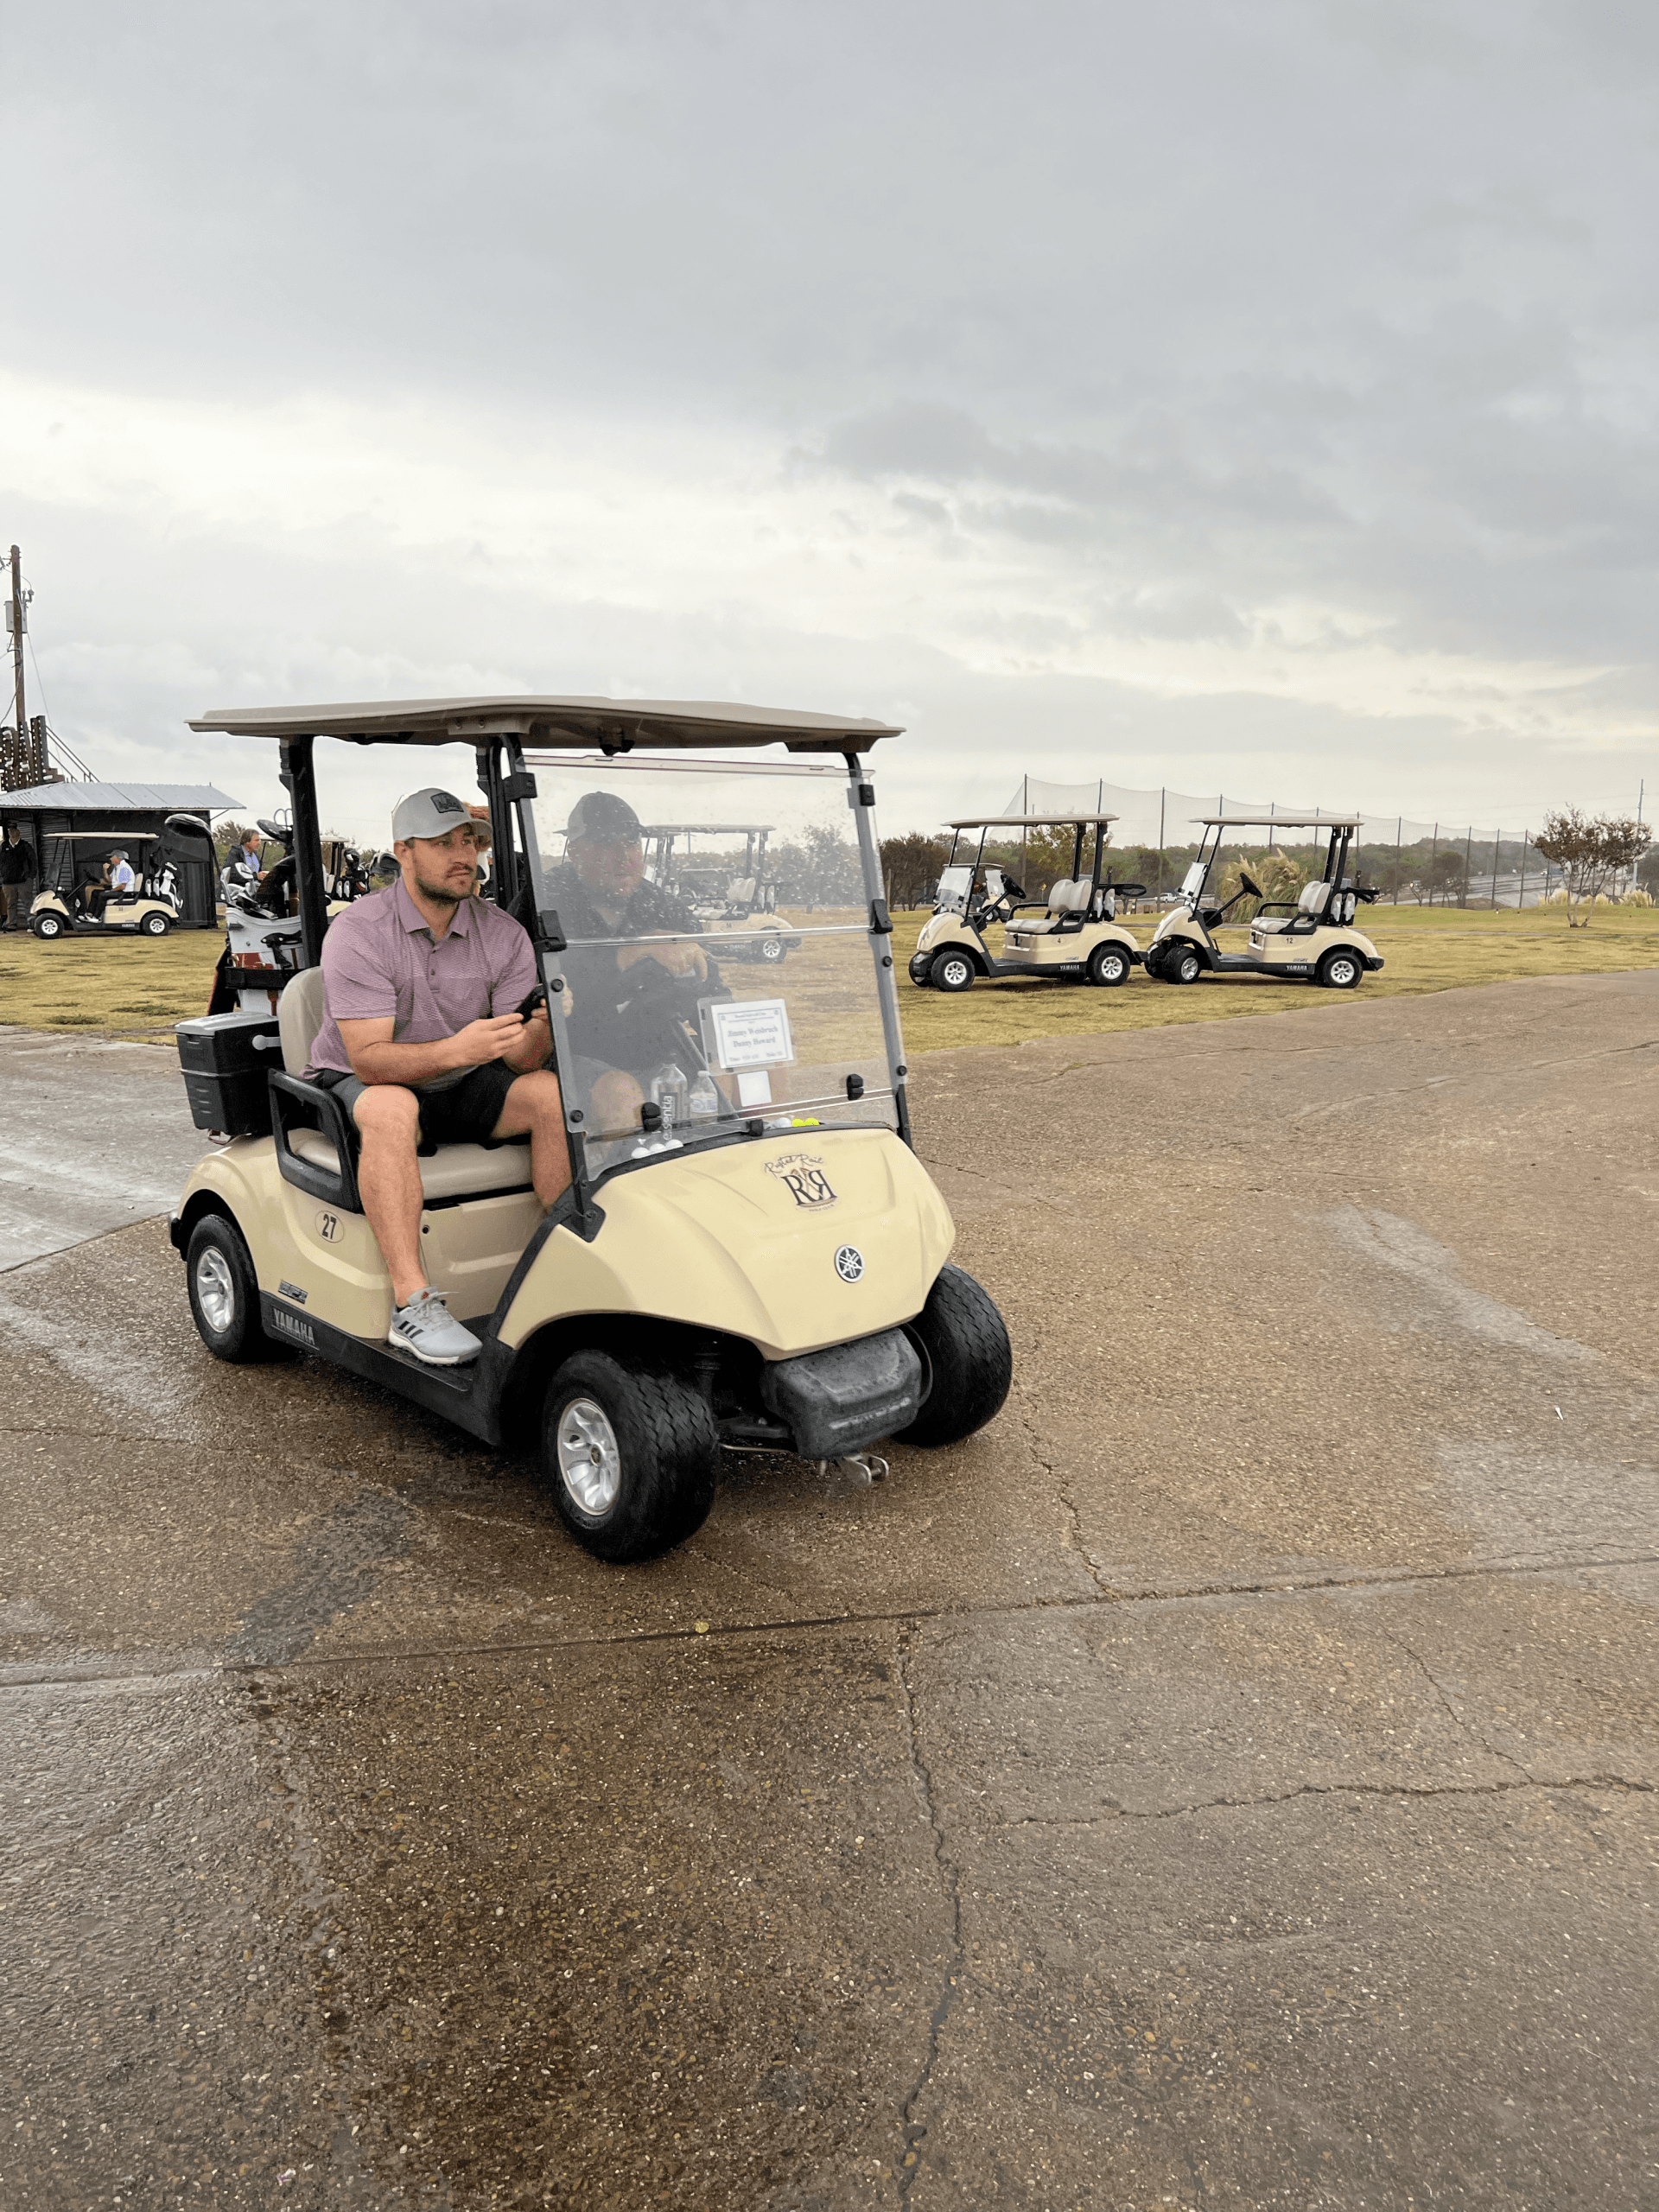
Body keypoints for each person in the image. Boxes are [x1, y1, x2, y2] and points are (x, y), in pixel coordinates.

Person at [302, 787, 570, 1368]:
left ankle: (571, 1262)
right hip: (360, 1078)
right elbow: (371, 1059)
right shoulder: (359, 931)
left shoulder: (502, 933)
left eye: (469, 842)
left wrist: (544, 1029)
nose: (463, 856)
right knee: (392, 1109)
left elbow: (521, 1060)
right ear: (404, 851)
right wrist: (459, 1049)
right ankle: (412, 1302)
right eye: (444, 843)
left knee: (549, 1093)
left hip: (460, 1077)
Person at [543, 791, 719, 1123]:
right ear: (575, 850)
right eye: (606, 844)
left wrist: (738, 1037)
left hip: (657, 1051)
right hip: (573, 1054)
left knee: (748, 1074)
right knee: (622, 1093)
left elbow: (709, 985)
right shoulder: (546, 901)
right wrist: (631, 952)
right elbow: (547, 987)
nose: (622, 856)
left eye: (631, 843)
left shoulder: (663, 907)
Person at [0, 822, 37, 931]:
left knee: (27, 903)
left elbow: (33, 862)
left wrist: (30, 876)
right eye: (9, 831)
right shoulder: (4, 846)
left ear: (18, 832)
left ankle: (32, 924)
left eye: (13, 830)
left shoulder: (25, 846)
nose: (11, 832)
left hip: (24, 881)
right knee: (10, 904)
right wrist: (2, 877)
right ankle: (11, 924)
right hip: (8, 882)